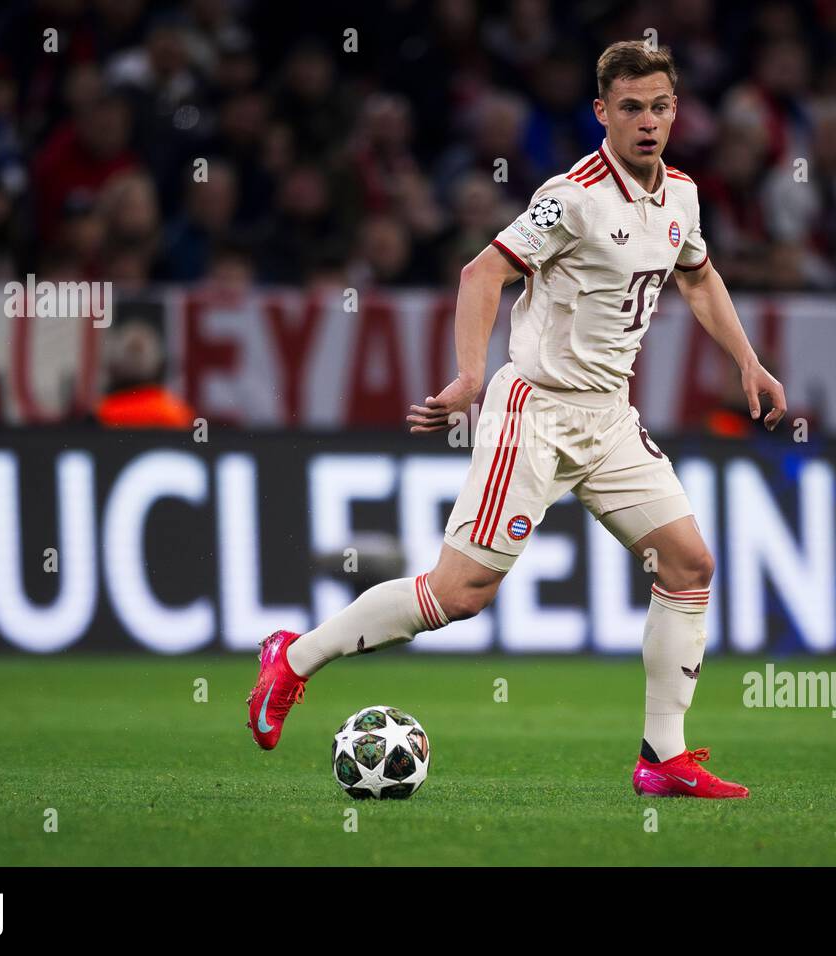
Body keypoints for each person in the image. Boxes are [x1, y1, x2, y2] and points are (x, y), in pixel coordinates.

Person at [247, 41, 786, 799]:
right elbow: (483, 272)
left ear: (675, 110)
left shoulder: (683, 197)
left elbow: (698, 279)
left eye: (660, 106)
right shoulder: (571, 197)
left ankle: (661, 757)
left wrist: (747, 361)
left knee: (690, 564)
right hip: (536, 412)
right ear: (603, 112)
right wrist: (471, 377)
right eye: (630, 107)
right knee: (458, 595)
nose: (647, 122)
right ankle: (293, 658)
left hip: (609, 418)